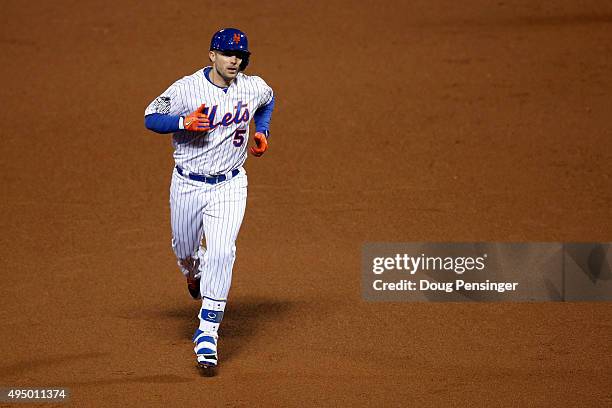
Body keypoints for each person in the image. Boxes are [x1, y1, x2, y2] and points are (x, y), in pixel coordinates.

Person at [143, 28, 275, 374]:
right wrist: (182, 121)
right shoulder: (186, 88)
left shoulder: (252, 86)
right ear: (212, 55)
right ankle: (192, 272)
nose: (235, 60)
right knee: (186, 252)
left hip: (230, 186)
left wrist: (262, 131)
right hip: (187, 184)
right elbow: (150, 117)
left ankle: (208, 330)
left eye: (241, 55)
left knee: (222, 251)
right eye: (228, 53)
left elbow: (268, 100)